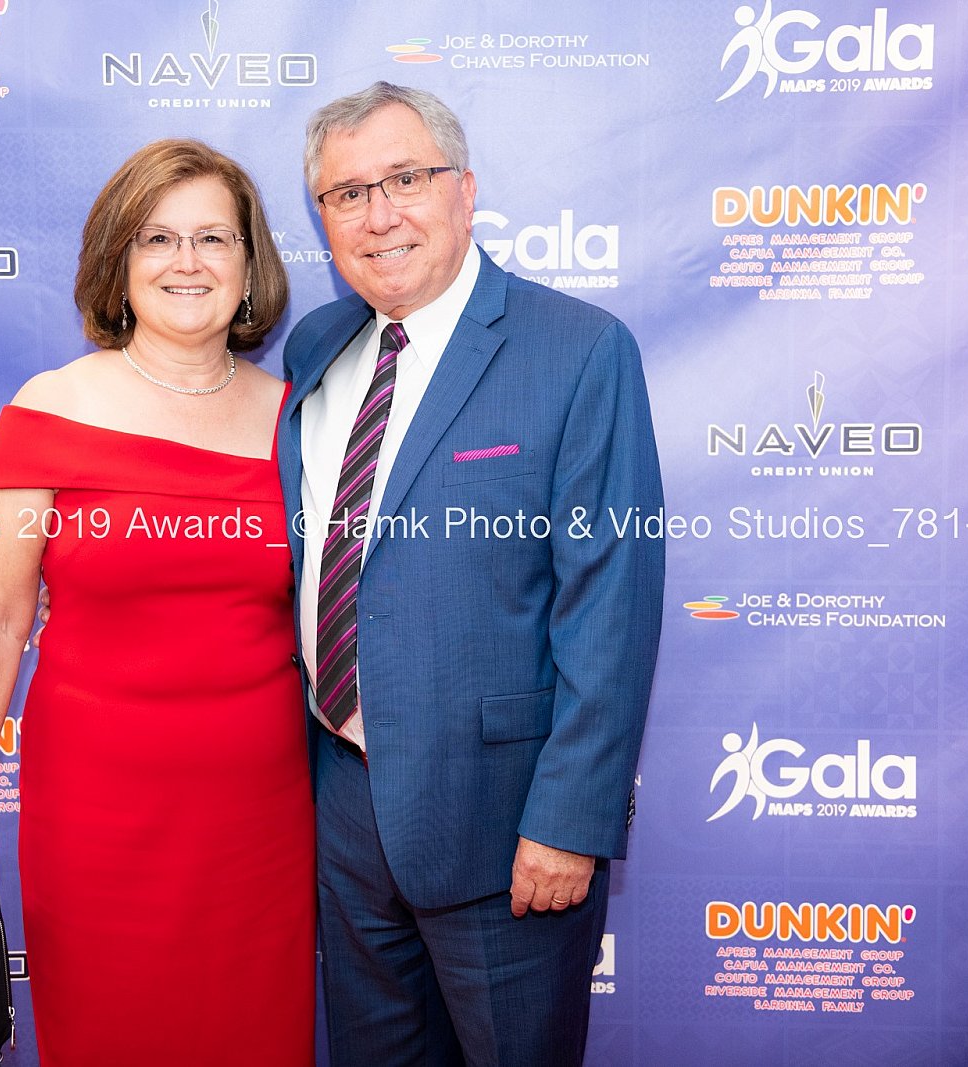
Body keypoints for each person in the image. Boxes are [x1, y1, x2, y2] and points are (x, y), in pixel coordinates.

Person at [280, 83, 663, 1067]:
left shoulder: (578, 349)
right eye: (347, 193)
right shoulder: (318, 348)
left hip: (505, 823)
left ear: (465, 189)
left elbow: (610, 605)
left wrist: (568, 819)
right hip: (345, 810)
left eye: (406, 179)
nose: (379, 215)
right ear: (322, 219)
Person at [0, 139, 313, 1066]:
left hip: (261, 813)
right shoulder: (51, 408)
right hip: (97, 809)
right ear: (118, 263)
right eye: (157, 238)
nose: (187, 261)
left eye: (213, 238)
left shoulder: (301, 418)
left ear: (250, 263)